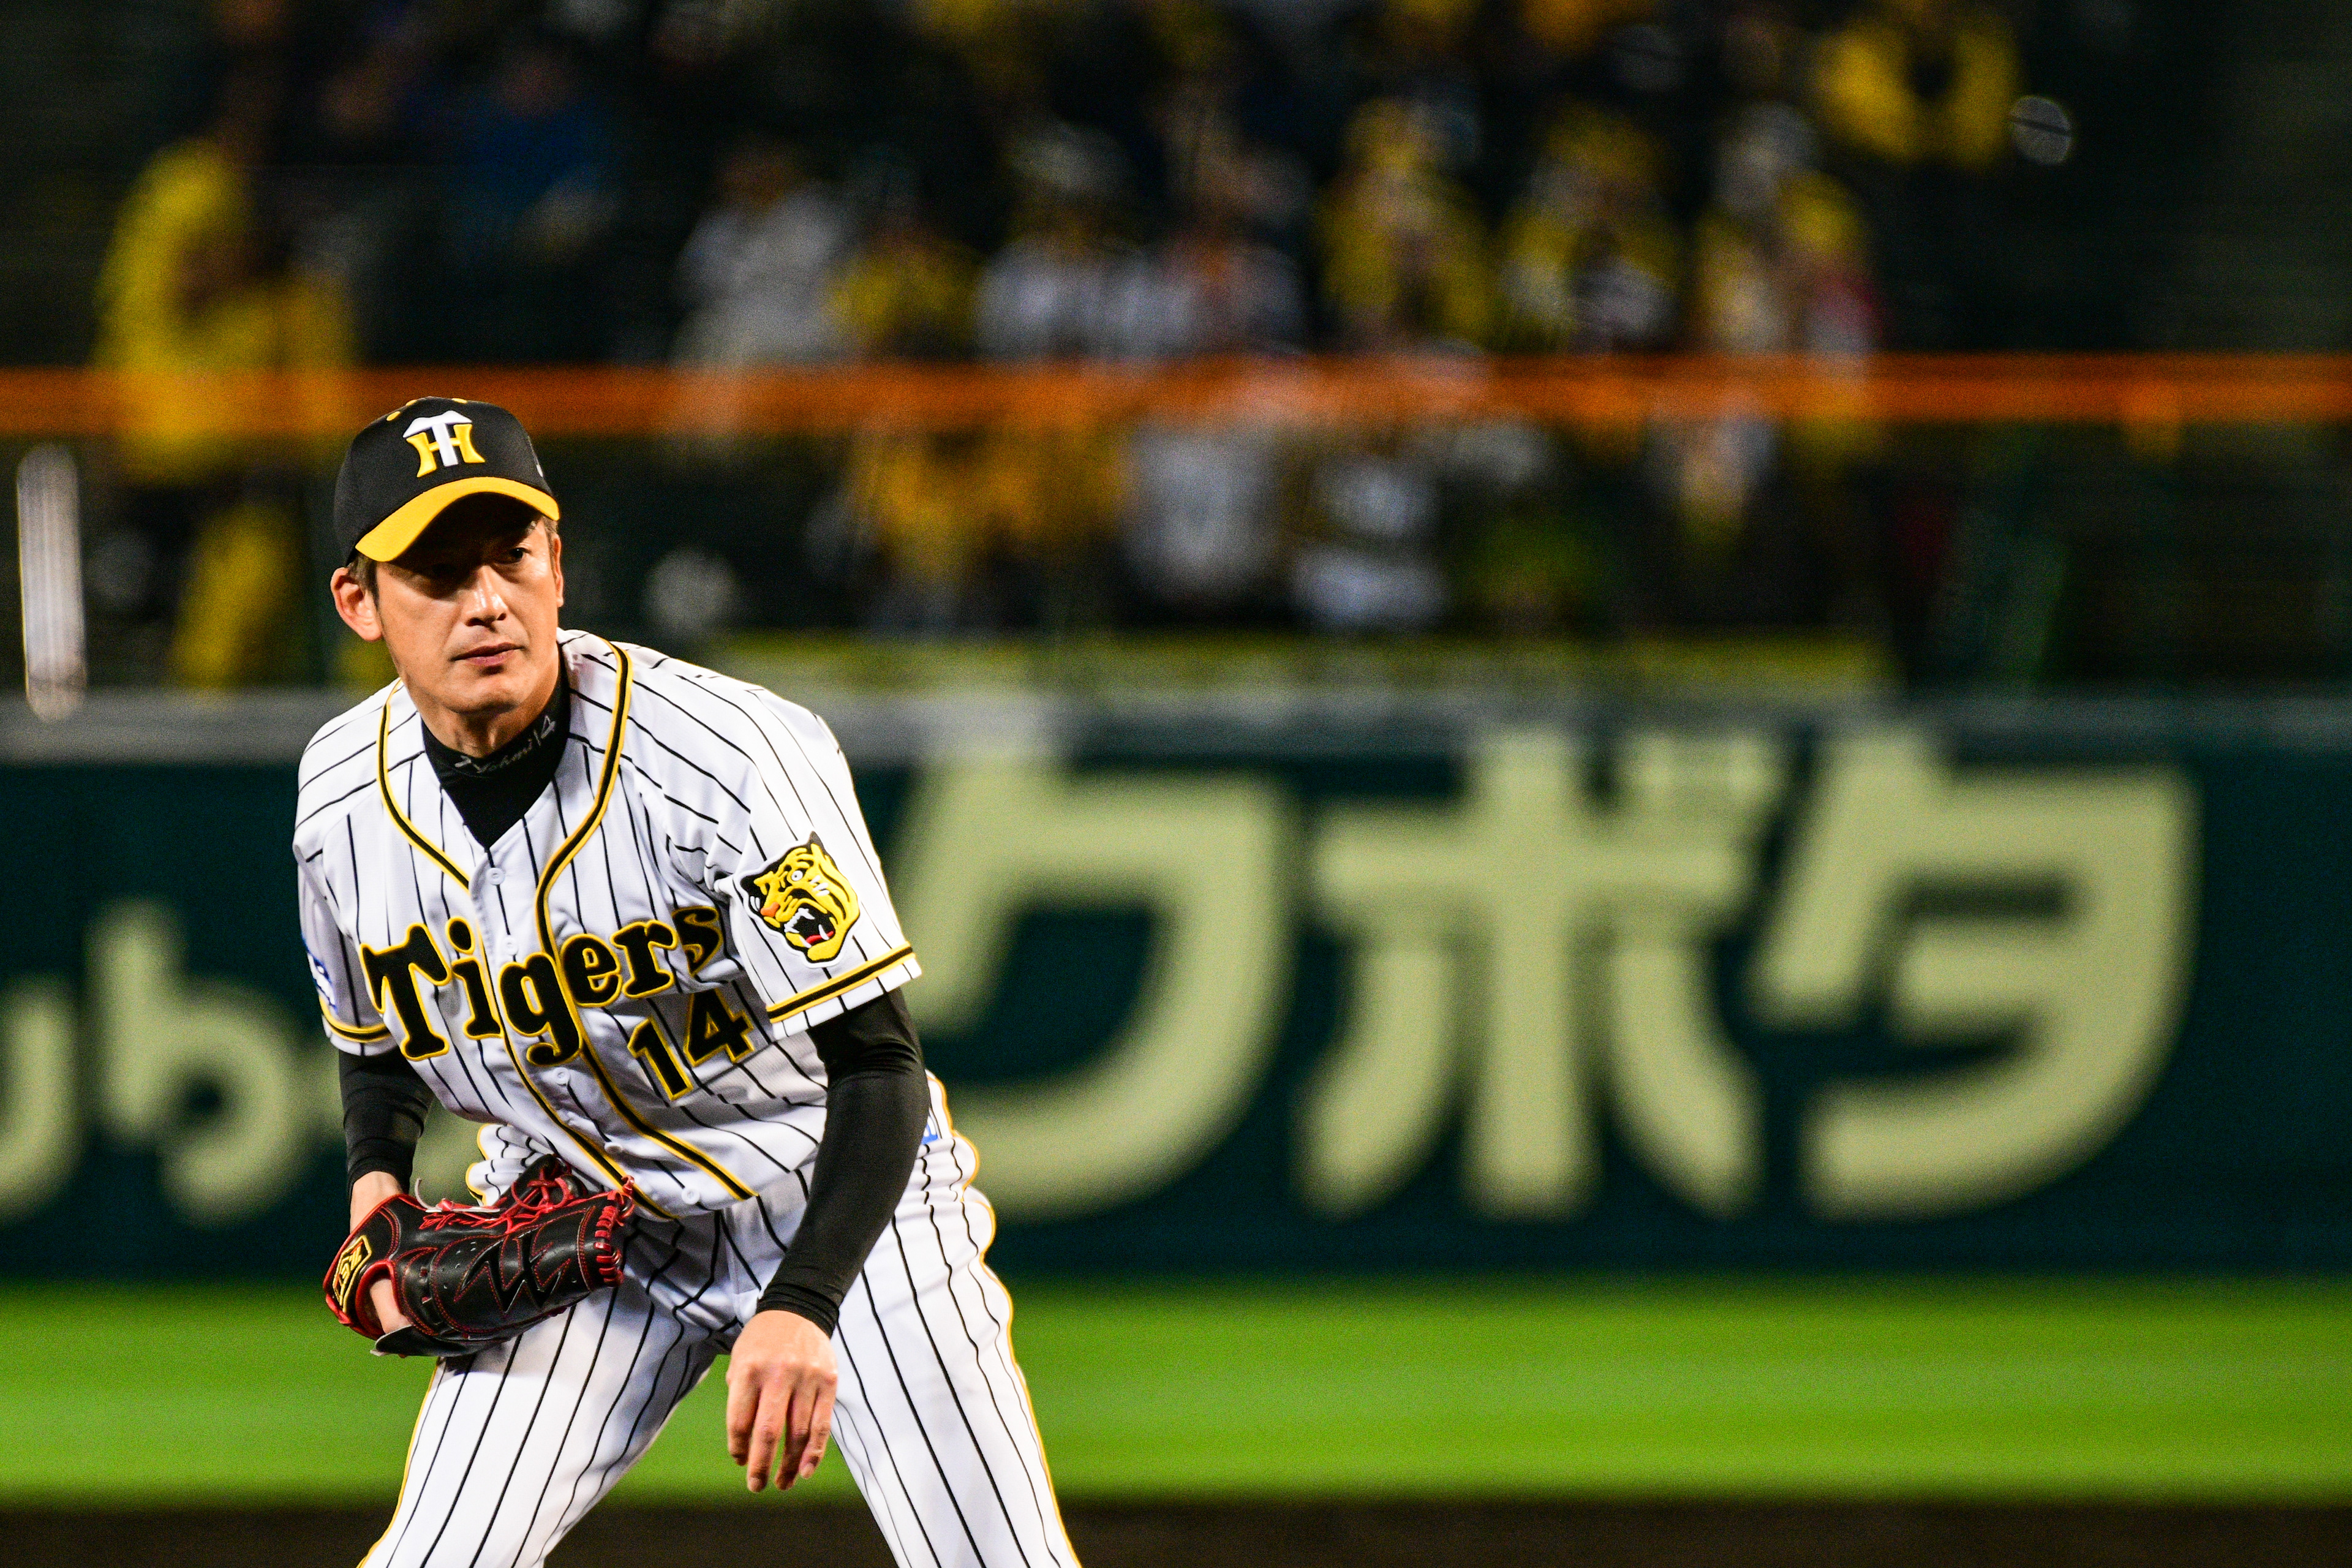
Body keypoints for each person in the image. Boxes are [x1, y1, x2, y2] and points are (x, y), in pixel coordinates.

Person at [294, 397, 1080, 1568]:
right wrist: (378, 1183)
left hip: (830, 1199)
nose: (487, 601)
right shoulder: (339, 802)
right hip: (582, 1222)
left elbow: (879, 1065)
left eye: (511, 557)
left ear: (558, 565)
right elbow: (374, 1039)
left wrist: (805, 1302)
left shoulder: (731, 758)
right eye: (438, 575)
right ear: (361, 603)